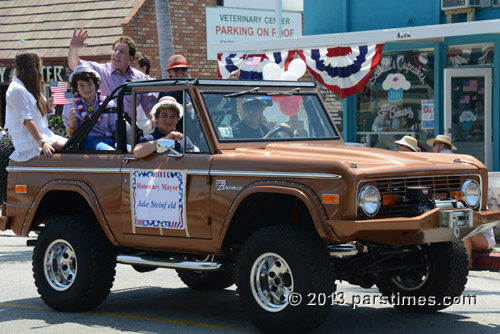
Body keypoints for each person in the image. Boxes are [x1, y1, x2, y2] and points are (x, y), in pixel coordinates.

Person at [68, 28, 156, 129]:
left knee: (153, 127)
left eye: (122, 51)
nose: (116, 53)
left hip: (131, 127)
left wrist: (154, 117)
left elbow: (148, 105)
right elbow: (74, 65)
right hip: (106, 127)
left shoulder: (140, 77)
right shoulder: (100, 71)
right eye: (115, 50)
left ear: (130, 58)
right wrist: (73, 48)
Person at [5, 52, 67, 162]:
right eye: (39, 66)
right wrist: (42, 143)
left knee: (75, 145)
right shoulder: (16, 89)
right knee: (72, 149)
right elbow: (27, 121)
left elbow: (36, 114)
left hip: (45, 135)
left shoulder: (28, 87)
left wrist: (48, 106)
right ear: (32, 68)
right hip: (30, 142)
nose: (40, 70)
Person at [62, 64, 117, 150]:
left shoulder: (108, 102)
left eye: (89, 84)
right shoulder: (71, 105)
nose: (86, 89)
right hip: (87, 142)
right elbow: (70, 134)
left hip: (110, 140)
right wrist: (72, 123)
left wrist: (120, 144)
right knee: (111, 152)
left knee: (133, 151)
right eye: (81, 85)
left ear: (95, 84)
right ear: (76, 87)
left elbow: (116, 130)